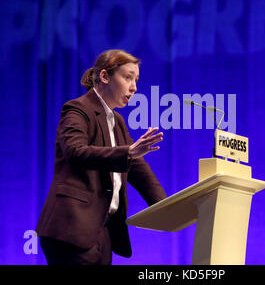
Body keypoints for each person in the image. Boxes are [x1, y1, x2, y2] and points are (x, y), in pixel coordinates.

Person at [36, 49, 167, 265]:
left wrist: (165, 205)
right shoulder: (77, 110)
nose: (134, 87)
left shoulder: (117, 121)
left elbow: (136, 167)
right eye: (128, 78)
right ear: (105, 77)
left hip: (102, 231)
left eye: (136, 80)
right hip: (71, 228)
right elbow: (75, 151)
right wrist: (128, 152)